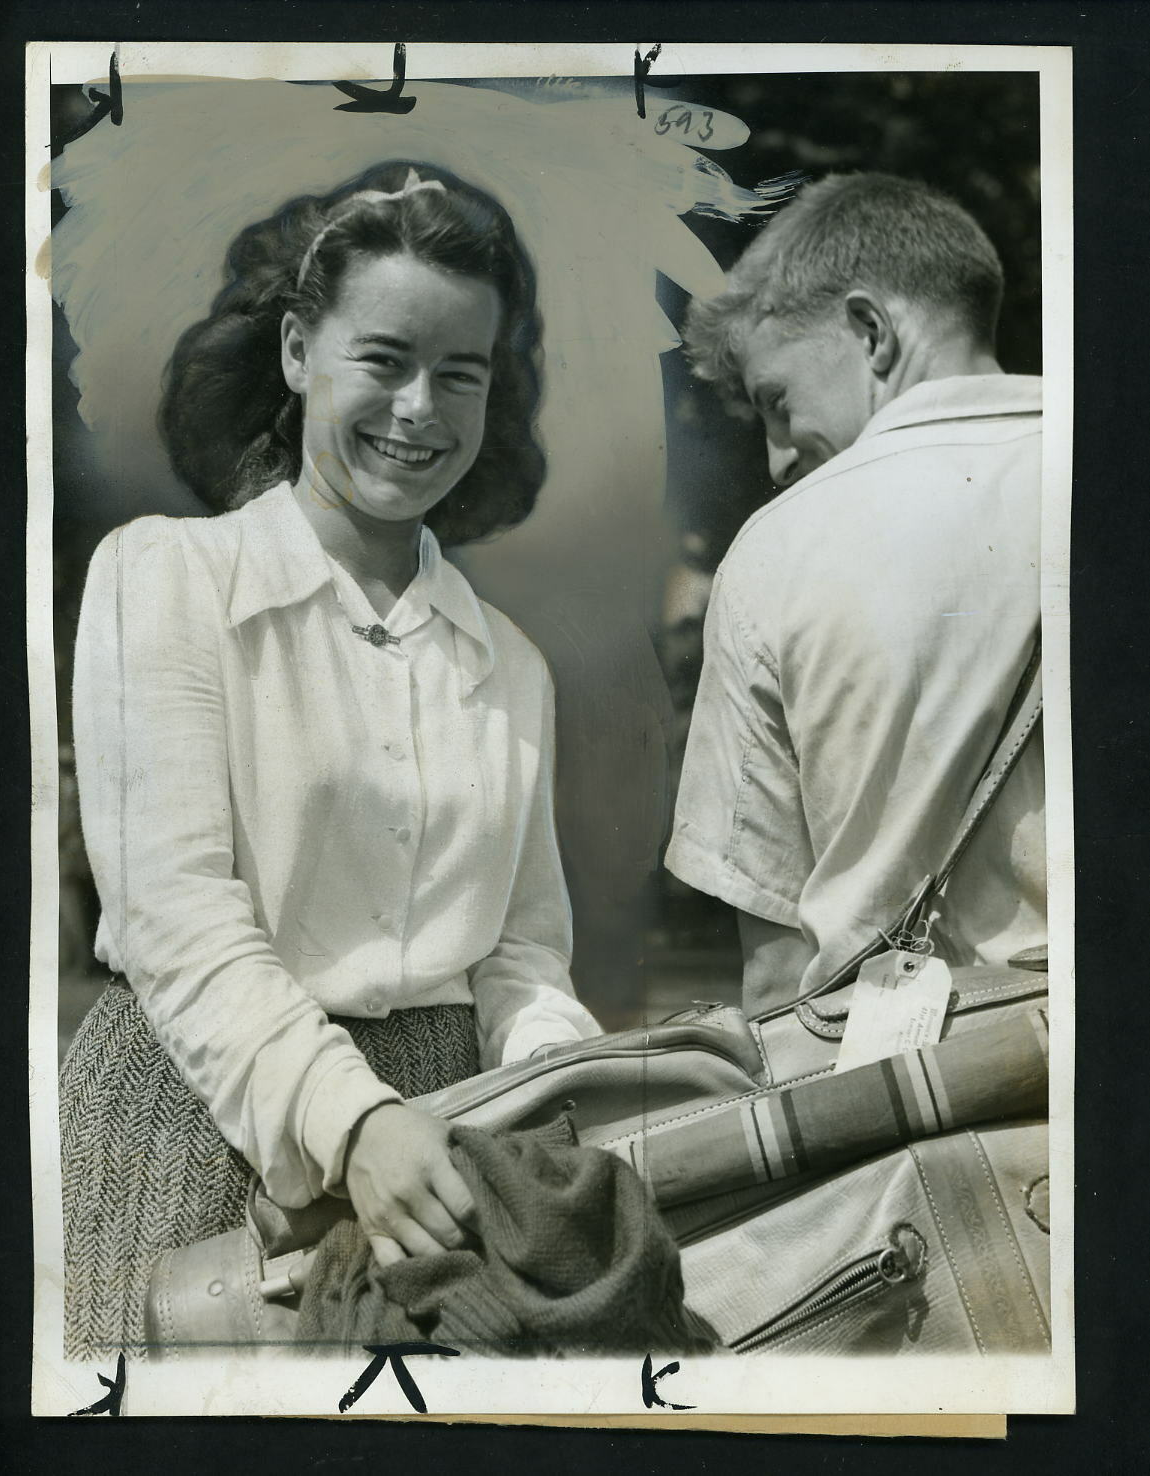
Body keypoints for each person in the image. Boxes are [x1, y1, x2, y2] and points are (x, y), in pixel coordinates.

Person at [62, 162, 602, 1359]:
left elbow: (517, 949)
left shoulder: (508, 663)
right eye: (383, 359)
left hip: (441, 1153)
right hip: (194, 1124)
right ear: (300, 351)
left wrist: (555, 1080)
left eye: (459, 374)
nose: (420, 409)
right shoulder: (165, 581)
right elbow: (175, 919)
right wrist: (350, 1123)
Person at [665, 172, 1046, 1019]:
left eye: (776, 402)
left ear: (871, 331)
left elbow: (773, 975)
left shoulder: (778, 548)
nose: (774, 459)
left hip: (920, 1109)